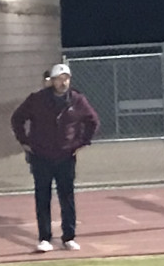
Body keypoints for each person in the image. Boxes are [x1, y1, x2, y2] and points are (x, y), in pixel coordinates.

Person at [10, 62, 99, 253]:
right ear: (52, 81)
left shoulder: (77, 100)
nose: (63, 82)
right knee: (43, 197)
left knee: (67, 197)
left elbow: (93, 121)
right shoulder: (37, 99)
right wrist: (24, 141)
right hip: (41, 156)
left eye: (66, 78)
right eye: (59, 79)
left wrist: (81, 143)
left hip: (66, 156)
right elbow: (17, 118)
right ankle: (44, 238)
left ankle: (69, 237)